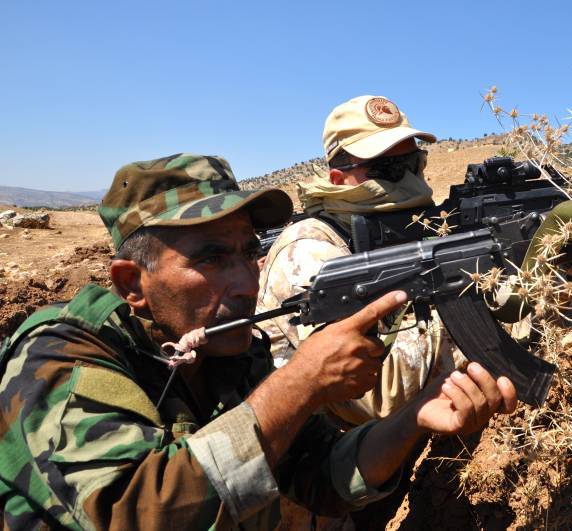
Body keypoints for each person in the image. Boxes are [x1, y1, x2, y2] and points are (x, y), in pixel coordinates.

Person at [0, 153, 516, 529]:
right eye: (210, 259)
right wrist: (299, 384)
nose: (248, 282)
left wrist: (414, 417)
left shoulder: (225, 352)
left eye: (249, 252)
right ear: (133, 283)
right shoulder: (59, 361)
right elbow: (137, 514)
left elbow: (321, 474)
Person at [258, 95, 466, 427]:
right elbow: (375, 396)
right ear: (339, 178)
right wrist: (482, 296)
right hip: (329, 460)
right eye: (389, 170)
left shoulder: (411, 228)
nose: (409, 180)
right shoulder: (308, 247)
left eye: (414, 164)